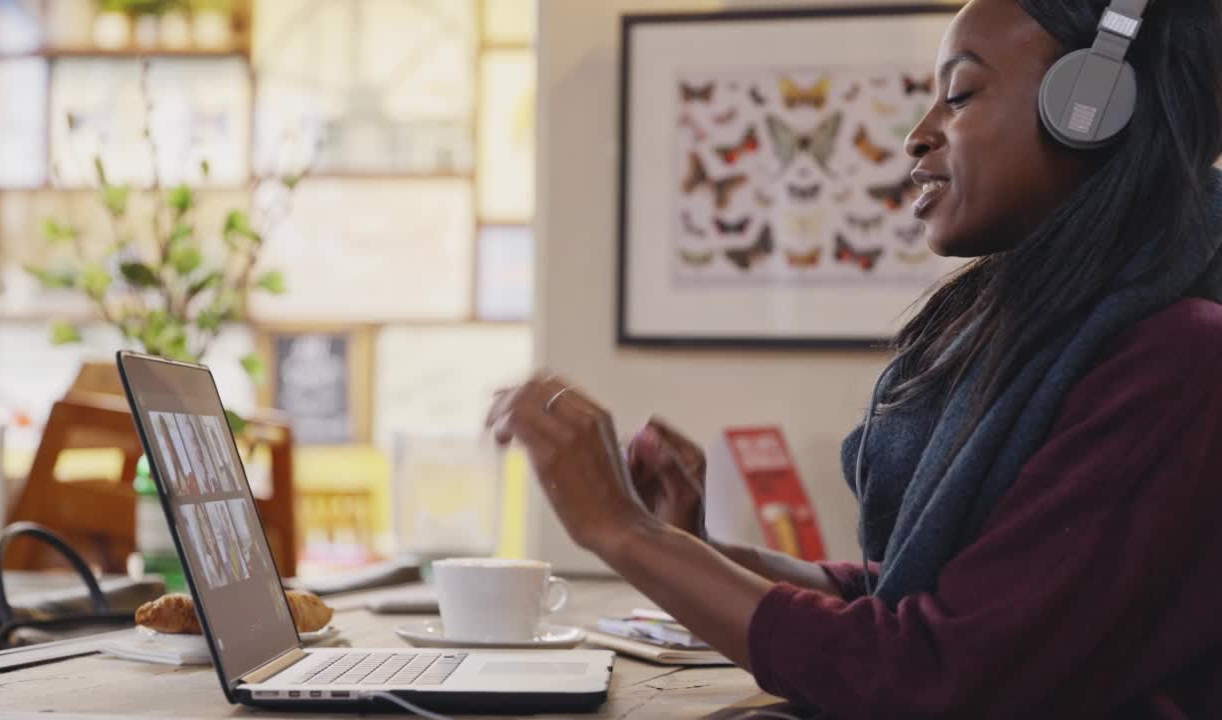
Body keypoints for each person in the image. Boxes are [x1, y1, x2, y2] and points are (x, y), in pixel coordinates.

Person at [486, 0, 1222, 716]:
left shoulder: (1182, 360)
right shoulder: (1051, 333)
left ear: (1088, 109)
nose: (918, 135)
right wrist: (694, 551)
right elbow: (925, 598)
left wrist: (623, 530)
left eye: (959, 94)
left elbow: (934, 672)